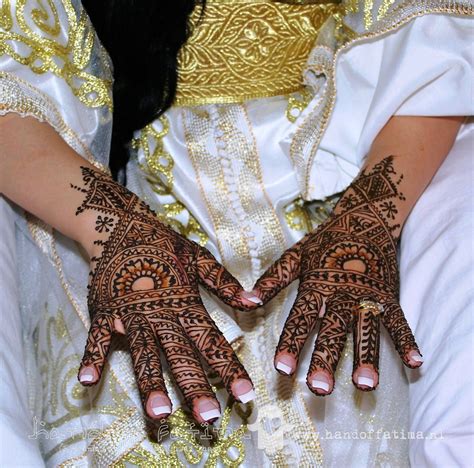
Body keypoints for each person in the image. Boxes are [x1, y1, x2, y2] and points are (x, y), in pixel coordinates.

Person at [0, 1, 472, 467]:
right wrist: (114, 228)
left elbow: (432, 42)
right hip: (100, 197)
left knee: (356, 404)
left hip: (336, 183)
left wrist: (367, 219)